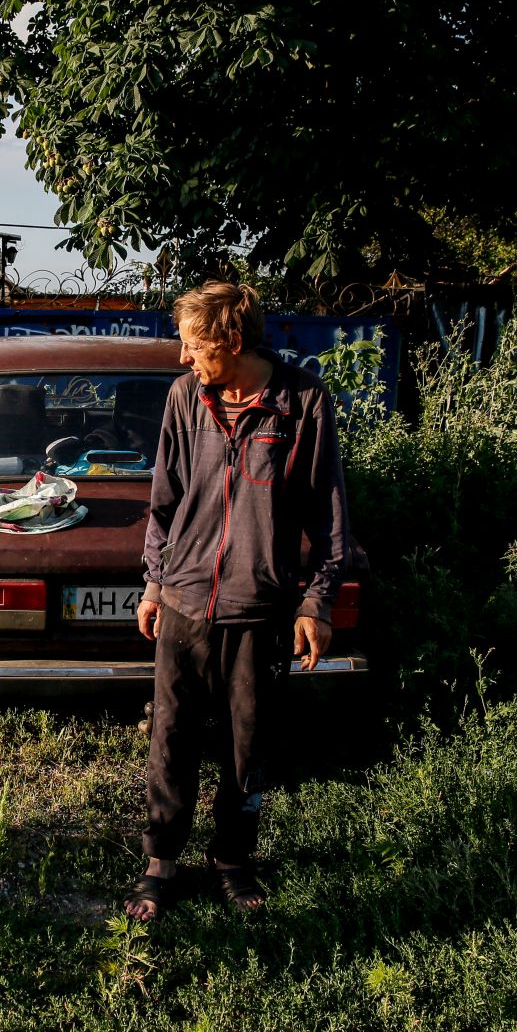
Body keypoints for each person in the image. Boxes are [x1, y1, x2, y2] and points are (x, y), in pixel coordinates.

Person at [126, 282, 350, 921]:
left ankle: (232, 859)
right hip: (185, 601)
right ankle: (159, 861)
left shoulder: (301, 402)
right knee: (170, 736)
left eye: (195, 346)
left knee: (246, 743)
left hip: (261, 606)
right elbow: (163, 498)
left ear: (231, 340)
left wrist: (317, 601)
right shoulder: (184, 398)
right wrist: (153, 581)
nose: (183, 358)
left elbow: (328, 513)